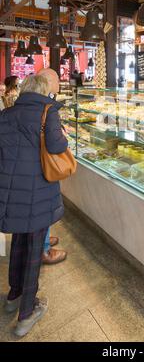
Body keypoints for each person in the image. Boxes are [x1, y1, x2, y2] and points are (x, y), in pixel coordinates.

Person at [0, 70, 68, 337]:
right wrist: (63, 134)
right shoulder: (47, 112)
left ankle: (13, 297)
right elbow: (56, 146)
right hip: (37, 190)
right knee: (32, 252)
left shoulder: (6, 114)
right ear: (43, 89)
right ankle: (27, 313)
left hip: (11, 192)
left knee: (19, 242)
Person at [38, 68, 67, 265]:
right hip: (43, 163)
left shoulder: (33, 101)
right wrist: (64, 138)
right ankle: (44, 250)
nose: (59, 84)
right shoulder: (48, 106)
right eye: (57, 80)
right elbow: (55, 144)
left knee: (40, 205)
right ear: (49, 82)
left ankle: (44, 239)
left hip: (32, 161)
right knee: (41, 205)